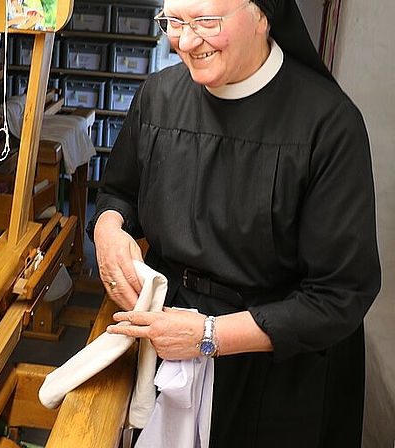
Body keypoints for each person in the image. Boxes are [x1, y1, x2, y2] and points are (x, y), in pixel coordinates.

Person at [87, 0, 381, 446]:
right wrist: (108, 230)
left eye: (206, 22)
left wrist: (208, 336)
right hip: (168, 347)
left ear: (263, 15)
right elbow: (119, 192)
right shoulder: (159, 97)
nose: (185, 42)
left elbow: (339, 296)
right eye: (174, 22)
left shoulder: (329, 125)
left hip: (274, 378)